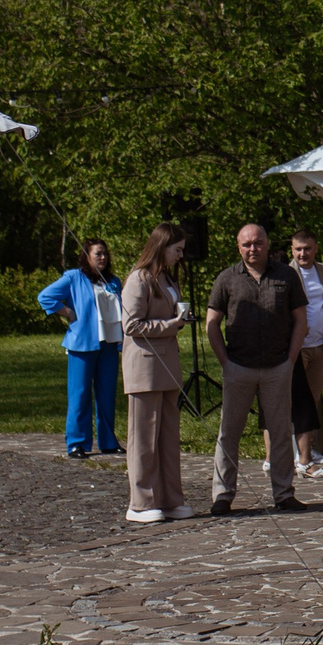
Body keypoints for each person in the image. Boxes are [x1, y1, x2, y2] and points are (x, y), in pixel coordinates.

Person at [205, 223, 307, 517]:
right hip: (238, 366)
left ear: (267, 243)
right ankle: (223, 495)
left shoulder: (286, 276)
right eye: (247, 244)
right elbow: (212, 323)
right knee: (229, 433)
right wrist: (224, 361)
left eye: (258, 243)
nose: (253, 249)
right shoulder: (226, 278)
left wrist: (290, 358)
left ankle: (284, 493)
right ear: (238, 247)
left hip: (278, 366)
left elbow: (301, 319)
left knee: (279, 431)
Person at [119, 224, 194, 524]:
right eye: (177, 250)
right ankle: (141, 502)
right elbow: (131, 326)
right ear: (161, 247)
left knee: (167, 437)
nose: (180, 256)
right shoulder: (139, 279)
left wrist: (179, 320)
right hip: (145, 369)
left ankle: (170, 499)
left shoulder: (165, 278)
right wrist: (171, 325)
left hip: (167, 367)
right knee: (144, 438)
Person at [39, 239, 125, 459]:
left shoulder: (113, 281)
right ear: (86, 256)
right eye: (98, 254)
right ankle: (77, 443)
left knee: (107, 395)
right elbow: (45, 297)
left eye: (105, 253)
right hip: (82, 344)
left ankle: (108, 441)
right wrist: (67, 312)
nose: (103, 258)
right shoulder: (74, 278)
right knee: (80, 395)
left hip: (108, 344)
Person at [287, 231, 323, 478]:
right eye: (298, 249)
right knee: (297, 401)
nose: (302, 254)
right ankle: (297, 455)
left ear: (316, 248)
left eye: (307, 248)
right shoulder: (286, 274)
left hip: (321, 345)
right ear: (291, 249)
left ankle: (310, 450)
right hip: (296, 348)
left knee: (314, 399)